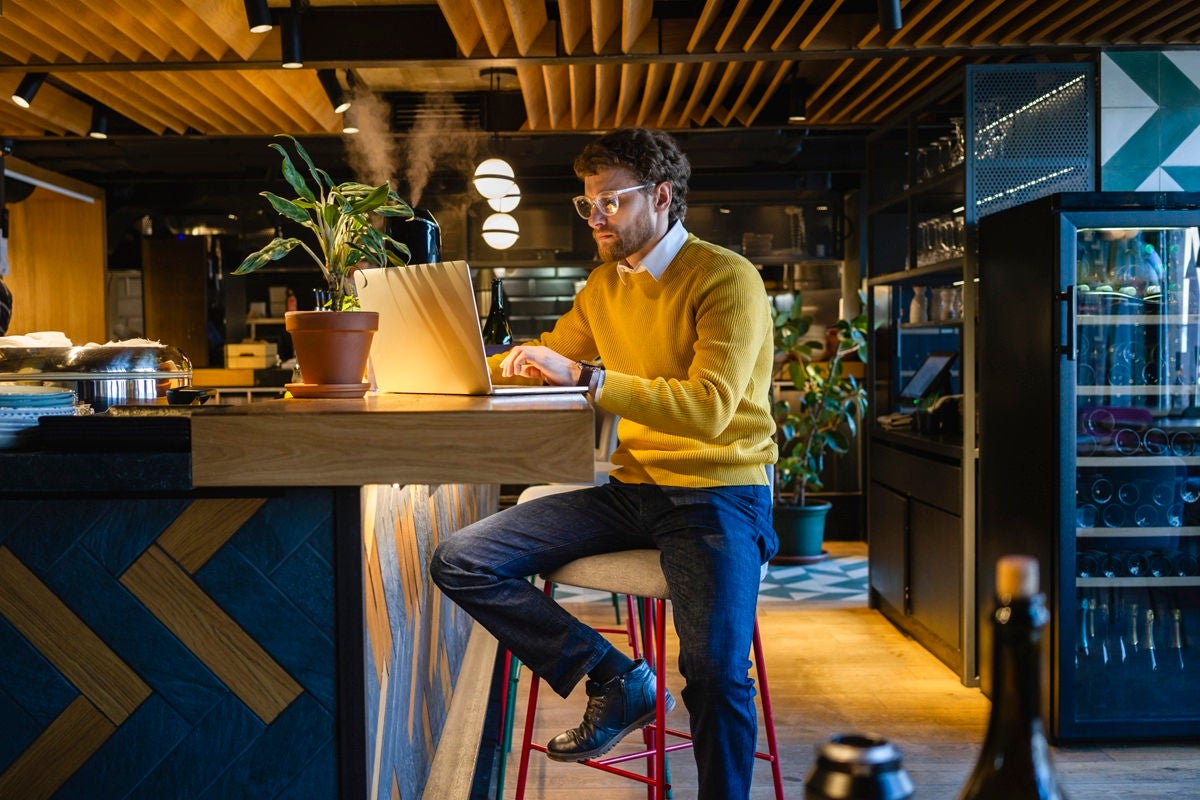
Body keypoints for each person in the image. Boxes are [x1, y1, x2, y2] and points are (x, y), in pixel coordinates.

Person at [430, 127, 778, 798]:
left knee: (712, 673)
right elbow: (551, 358)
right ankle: (616, 678)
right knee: (460, 559)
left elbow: (707, 408)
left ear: (663, 196)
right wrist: (478, 368)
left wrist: (587, 375)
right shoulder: (603, 286)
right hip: (633, 490)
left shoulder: (725, 277)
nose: (596, 218)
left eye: (611, 202)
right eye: (587, 204)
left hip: (719, 493)